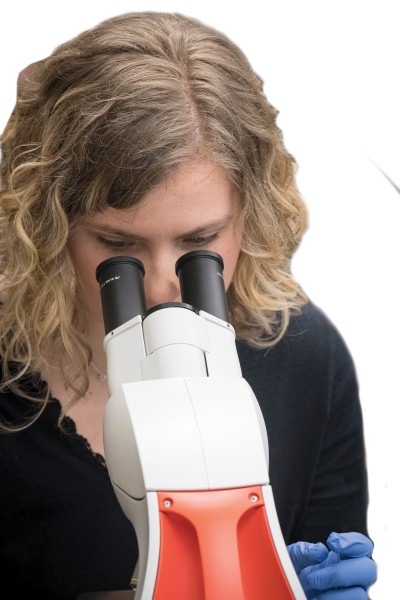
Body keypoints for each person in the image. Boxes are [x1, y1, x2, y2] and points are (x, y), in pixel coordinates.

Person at [0, 11, 377, 600]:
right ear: (46, 222)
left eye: (199, 245)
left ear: (250, 213)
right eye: (117, 247)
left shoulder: (304, 355)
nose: (157, 289)